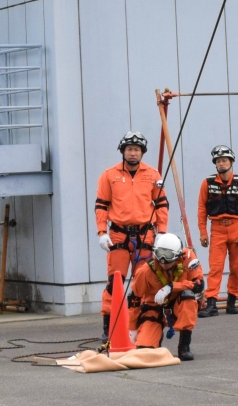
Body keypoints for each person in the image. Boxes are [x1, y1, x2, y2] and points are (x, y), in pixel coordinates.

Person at [96, 131, 169, 344]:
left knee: (143, 283)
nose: (133, 153)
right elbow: (101, 205)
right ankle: (109, 327)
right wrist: (102, 232)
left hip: (145, 234)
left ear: (142, 152)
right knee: (114, 282)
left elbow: (162, 204)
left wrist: (162, 231)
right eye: (129, 149)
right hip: (118, 234)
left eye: (137, 149)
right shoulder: (109, 175)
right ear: (123, 151)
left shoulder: (153, 175)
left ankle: (140, 327)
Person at [197, 145, 238, 317]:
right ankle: (211, 303)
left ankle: (232, 301)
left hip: (236, 227)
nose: (221, 164)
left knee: (237, 267)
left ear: (231, 162)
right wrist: (203, 232)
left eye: (224, 160)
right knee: (215, 267)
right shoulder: (207, 183)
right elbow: (201, 209)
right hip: (217, 228)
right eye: (218, 161)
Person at [129, 234, 204, 361]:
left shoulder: (188, 258)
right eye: (160, 254)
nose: (163, 261)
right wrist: (132, 327)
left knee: (188, 297)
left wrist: (172, 287)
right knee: (144, 351)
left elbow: (199, 285)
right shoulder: (146, 270)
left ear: (177, 255)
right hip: (154, 309)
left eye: (168, 256)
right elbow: (134, 298)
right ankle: (153, 337)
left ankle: (184, 346)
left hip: (178, 306)